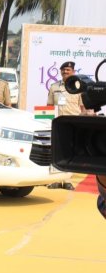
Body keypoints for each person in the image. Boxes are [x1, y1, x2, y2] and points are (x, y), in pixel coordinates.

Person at [47, 61, 83, 190]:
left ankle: (67, 180)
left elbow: (83, 107)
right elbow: (49, 106)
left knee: (70, 152)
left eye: (68, 70)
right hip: (58, 123)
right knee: (56, 152)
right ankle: (54, 180)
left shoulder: (79, 86)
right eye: (63, 70)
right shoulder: (54, 86)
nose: (65, 72)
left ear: (73, 71)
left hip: (73, 124)